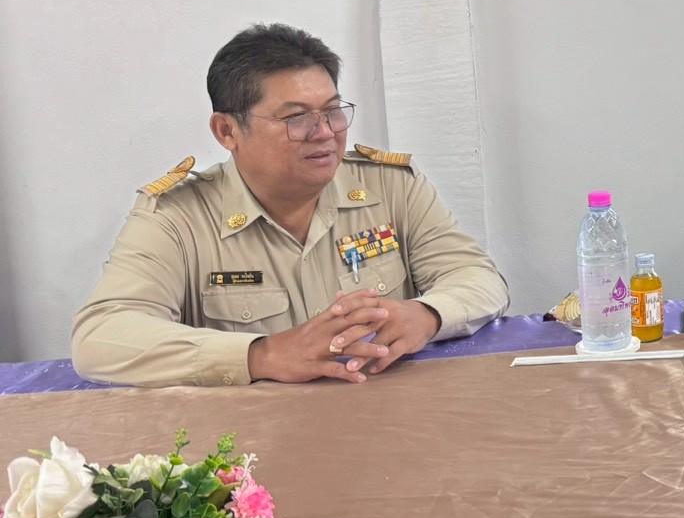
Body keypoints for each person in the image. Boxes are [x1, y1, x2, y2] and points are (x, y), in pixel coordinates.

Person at [71, 23, 509, 388]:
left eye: (333, 111)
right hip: (249, 442)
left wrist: (426, 314)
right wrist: (262, 355)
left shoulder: (390, 186)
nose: (324, 132)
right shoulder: (177, 216)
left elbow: (477, 277)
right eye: (296, 117)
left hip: (385, 414)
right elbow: (100, 337)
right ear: (227, 132)